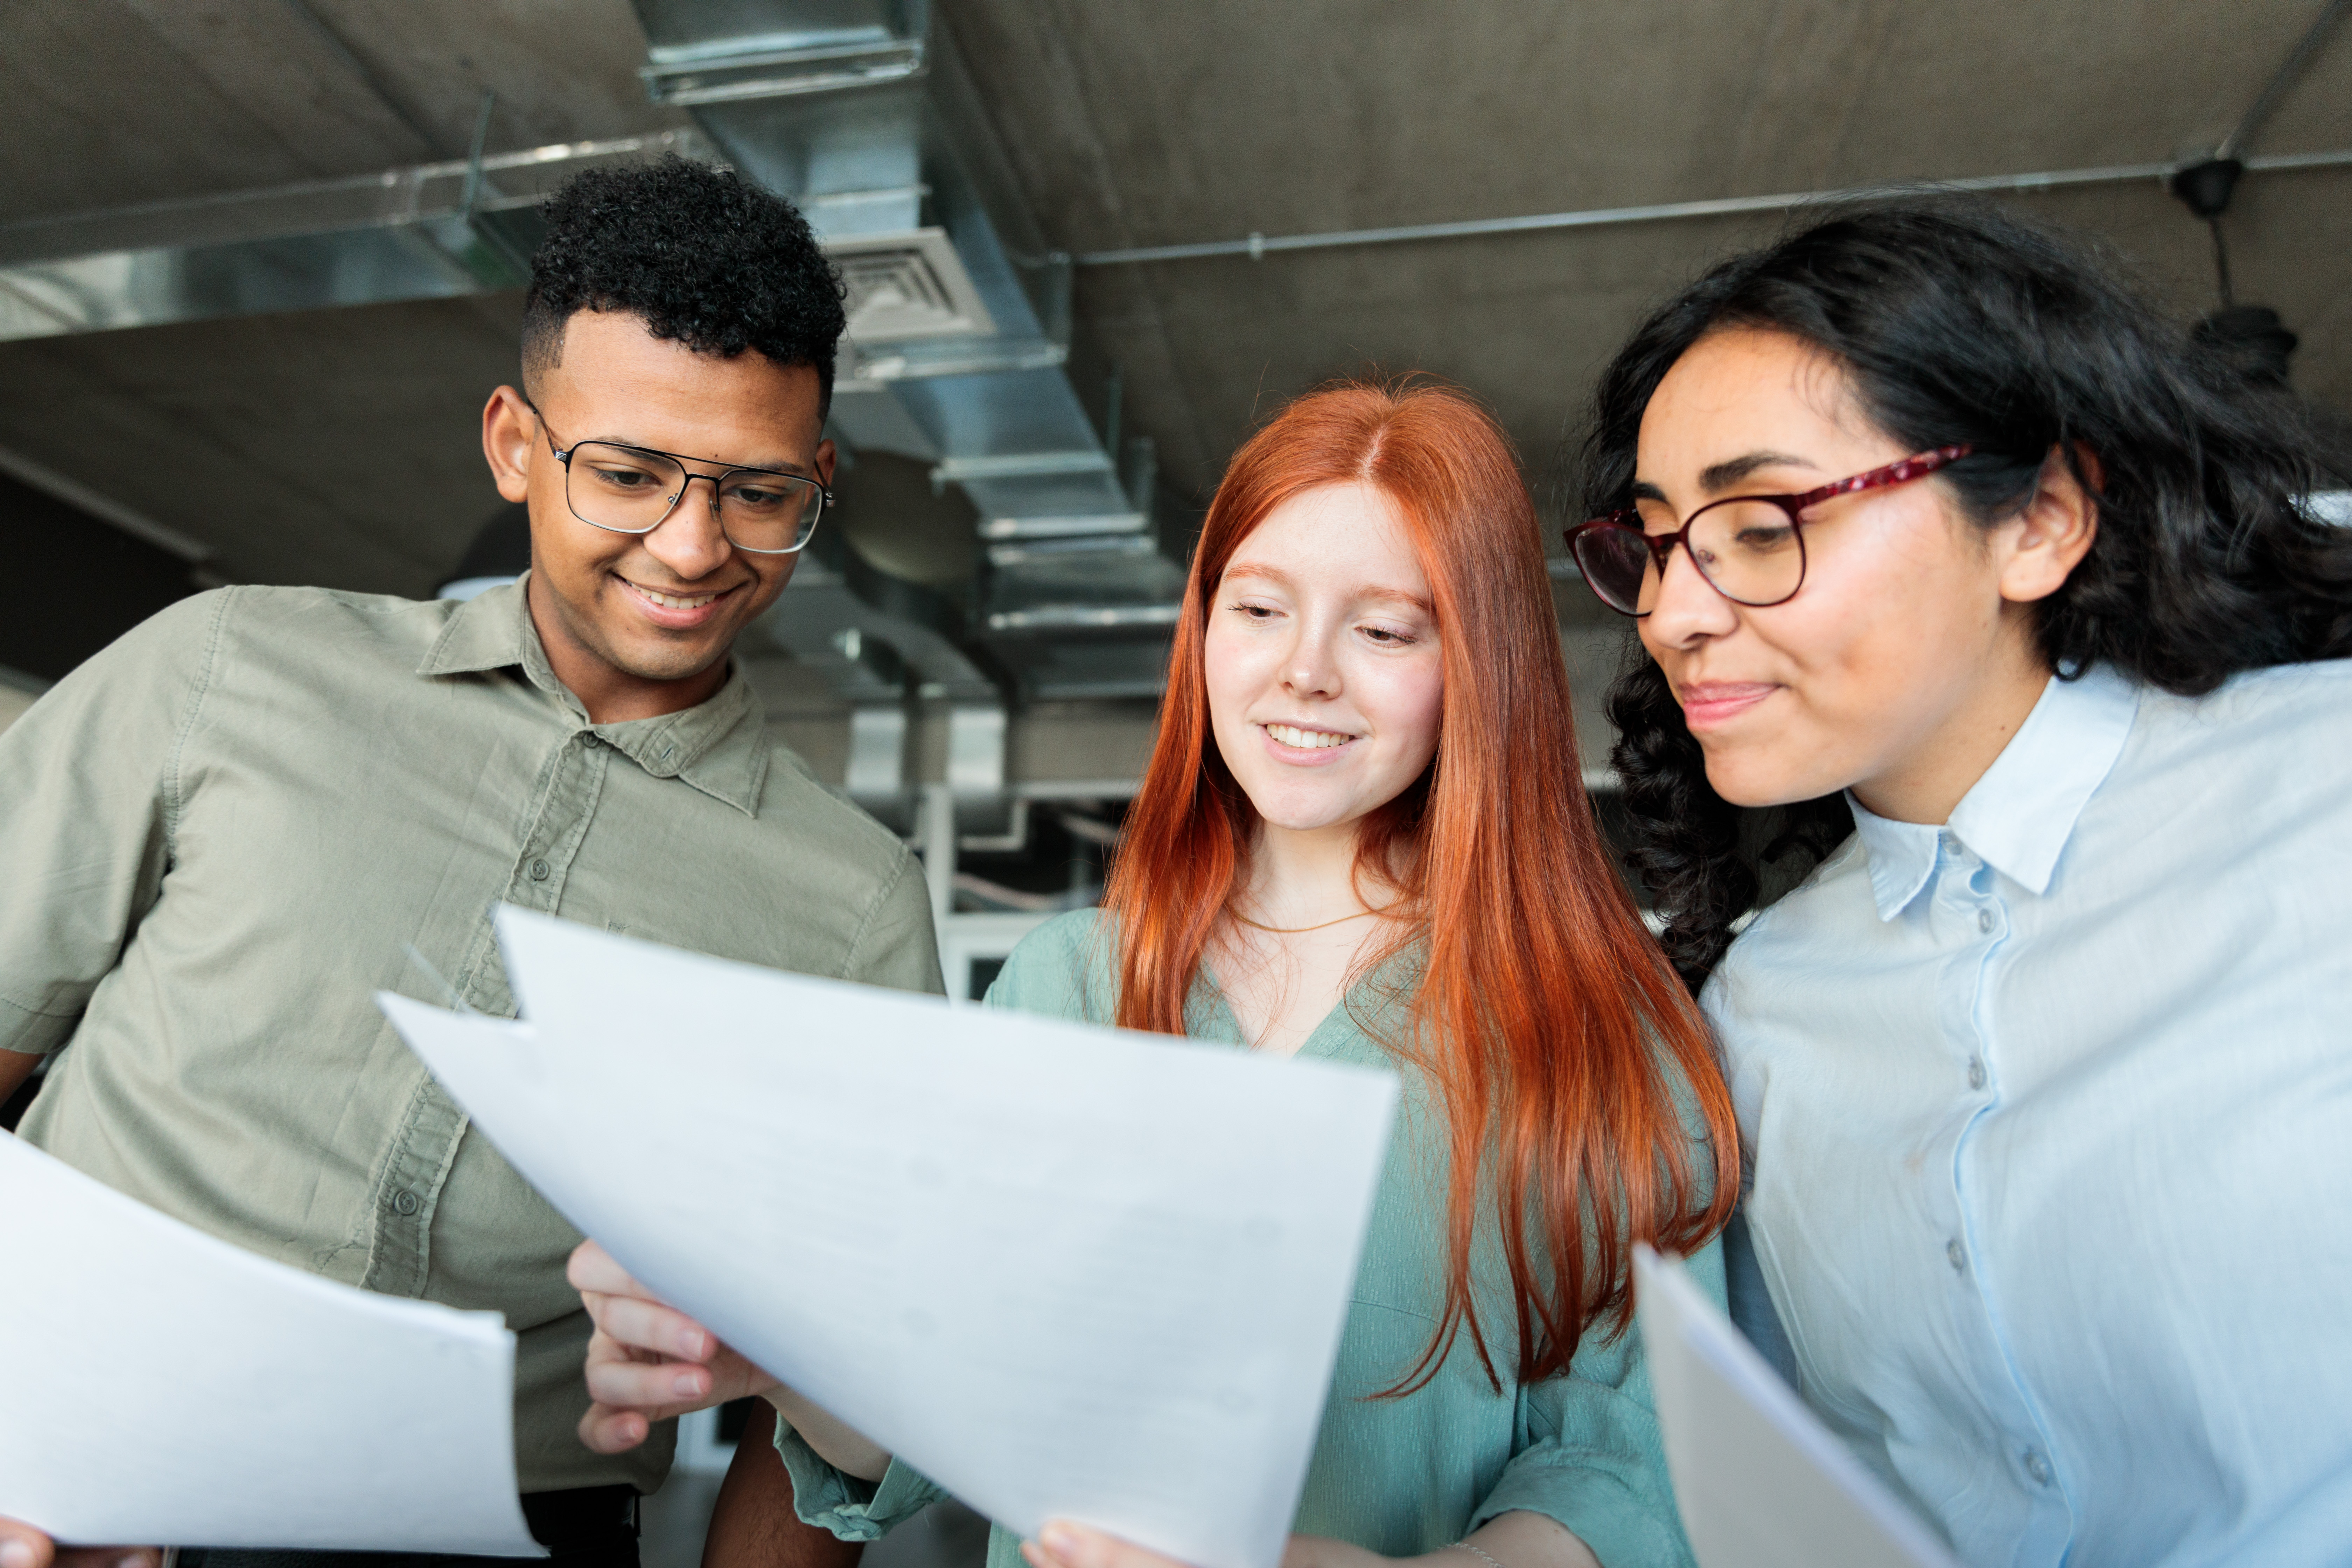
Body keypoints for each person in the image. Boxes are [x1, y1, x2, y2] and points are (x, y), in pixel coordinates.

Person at [565, 378, 1741, 1568]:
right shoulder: (1064, 987)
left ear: (1479, 665)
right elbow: (948, 1412)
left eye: (1384, 630)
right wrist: (776, 1358)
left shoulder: (1606, 1029)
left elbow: (1629, 1467)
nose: (1304, 674)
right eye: (1260, 609)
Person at [0, 156, 938, 1568]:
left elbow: (819, 1400)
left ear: (815, 478)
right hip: (59, 1476)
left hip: (510, 1533)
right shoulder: (226, 669)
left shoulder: (852, 906)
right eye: (626, 474)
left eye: (755, 494)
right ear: (513, 443)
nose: (691, 549)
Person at [1560, 198, 2352, 1566]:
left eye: (1761, 523)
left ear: (2040, 519)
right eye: (1659, 540)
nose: (1677, 612)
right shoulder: (1762, 1009)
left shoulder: (2320, 793)